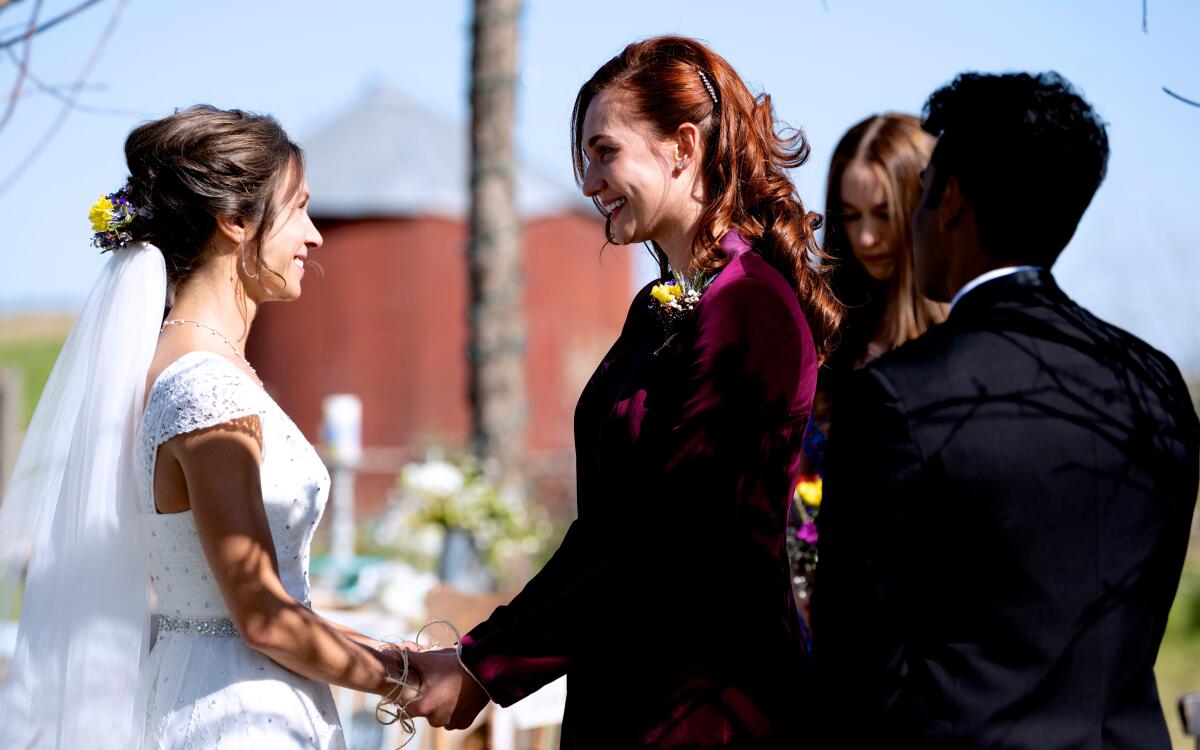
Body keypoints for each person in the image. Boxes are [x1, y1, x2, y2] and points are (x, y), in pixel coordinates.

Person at [400, 35, 842, 747]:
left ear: (683, 146)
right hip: (626, 690)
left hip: (705, 707)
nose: (586, 181)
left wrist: (489, 666)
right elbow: (604, 532)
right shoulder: (657, 307)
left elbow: (676, 540)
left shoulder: (749, 306)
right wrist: (482, 654)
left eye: (604, 152)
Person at [0, 106, 412, 749]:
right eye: (298, 208)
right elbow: (262, 618)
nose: (314, 236)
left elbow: (254, 605)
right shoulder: (207, 390)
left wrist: (400, 654)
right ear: (234, 220)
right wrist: (404, 682)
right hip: (241, 717)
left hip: (211, 684)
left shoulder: (182, 364)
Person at [812, 72, 1200, 748]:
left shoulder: (898, 396)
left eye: (924, 190)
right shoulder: (1155, 383)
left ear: (951, 200)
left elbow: (857, 663)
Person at [787, 114, 945, 604]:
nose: (867, 239)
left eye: (883, 213)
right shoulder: (821, 331)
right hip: (814, 605)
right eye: (851, 217)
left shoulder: (957, 343)